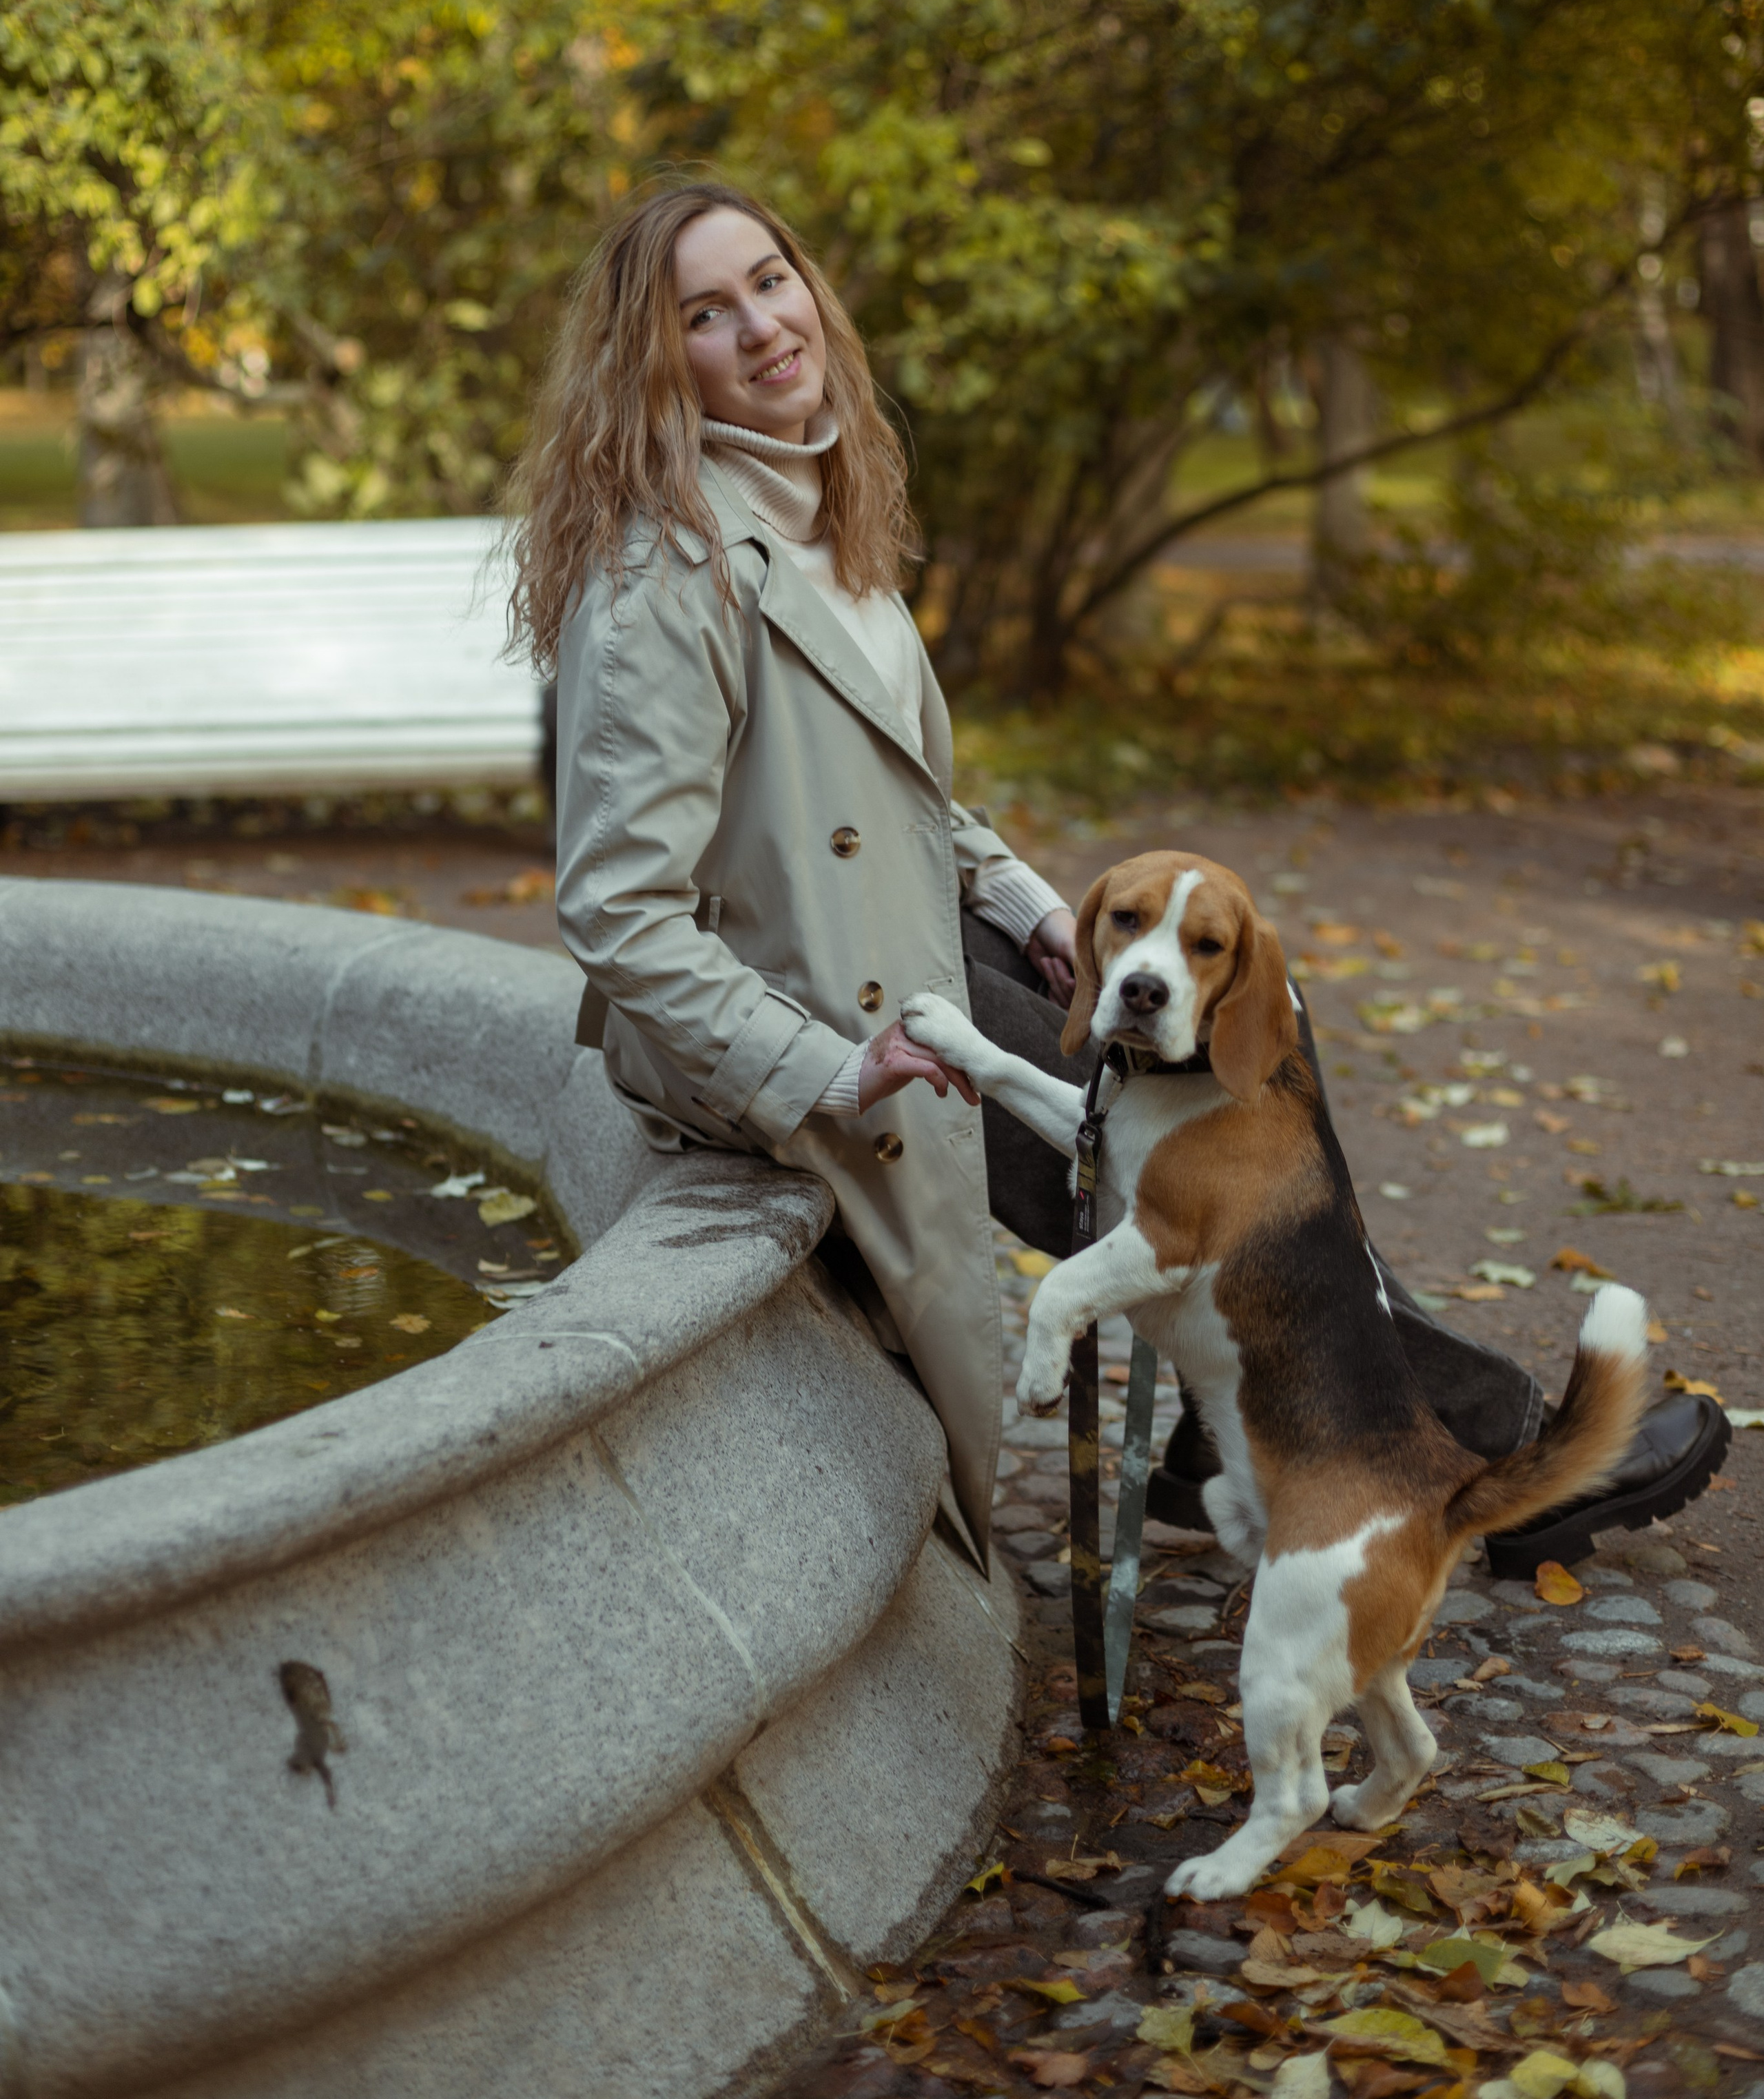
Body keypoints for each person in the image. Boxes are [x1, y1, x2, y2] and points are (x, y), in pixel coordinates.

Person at [508, 178, 1727, 1575]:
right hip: (794, 1014)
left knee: (1238, 1044)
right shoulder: (669, 571)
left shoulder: (807, 507)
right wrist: (820, 1074)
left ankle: (1298, 1426)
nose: (761, 327)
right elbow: (617, 911)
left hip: (878, 956)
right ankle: (1493, 1442)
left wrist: (1040, 918)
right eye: (704, 313)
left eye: (770, 280)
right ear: (653, 359)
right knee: (1157, 1120)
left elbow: (900, 809)